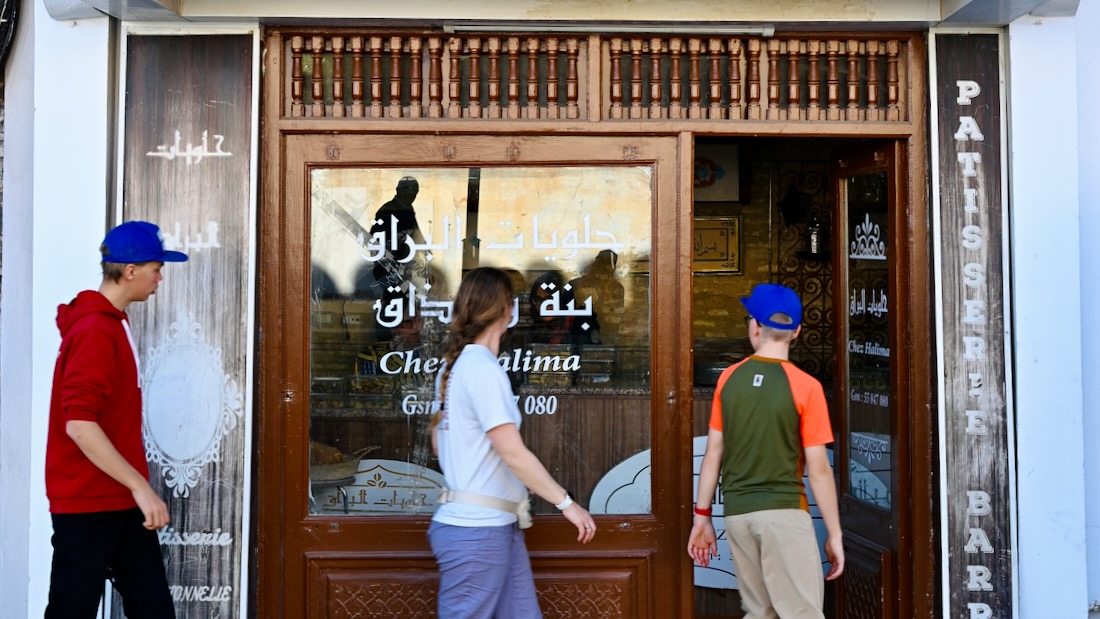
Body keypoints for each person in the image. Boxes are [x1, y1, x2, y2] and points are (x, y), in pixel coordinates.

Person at [428, 267, 596, 618]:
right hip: (478, 532)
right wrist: (566, 503)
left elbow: (439, 446)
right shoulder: (484, 371)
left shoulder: (454, 368)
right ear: (506, 309)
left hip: (493, 525)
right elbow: (512, 453)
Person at [45, 221, 187, 618]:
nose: (160, 278)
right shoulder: (94, 330)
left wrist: (134, 491)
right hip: (88, 502)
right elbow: (79, 425)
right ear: (130, 271)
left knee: (154, 608)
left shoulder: (112, 322)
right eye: (156, 269)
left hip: (117, 499)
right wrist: (142, 487)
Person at [687, 283, 844, 619]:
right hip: (784, 514)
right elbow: (818, 469)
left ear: (754, 327)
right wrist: (835, 534)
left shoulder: (729, 378)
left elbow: (714, 454)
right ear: (797, 332)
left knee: (763, 614)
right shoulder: (807, 387)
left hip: (739, 515)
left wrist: (702, 518)